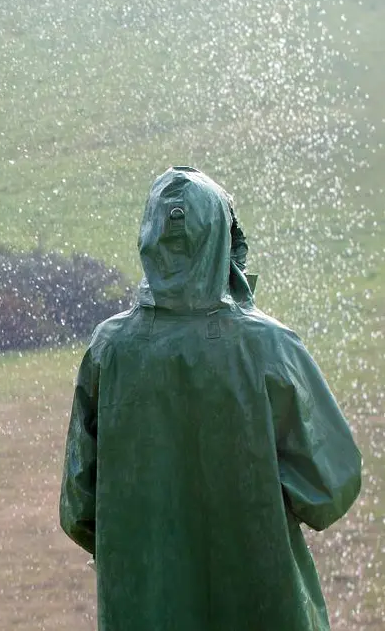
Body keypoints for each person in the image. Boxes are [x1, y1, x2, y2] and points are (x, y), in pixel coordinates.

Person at [60, 166, 362, 630]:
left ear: (149, 238)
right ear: (223, 237)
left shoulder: (109, 350)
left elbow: (79, 509)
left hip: (143, 609)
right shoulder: (269, 347)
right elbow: (330, 486)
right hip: (265, 606)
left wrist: (145, 549)